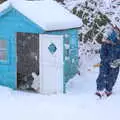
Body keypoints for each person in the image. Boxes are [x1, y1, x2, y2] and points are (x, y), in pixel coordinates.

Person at [96, 24, 120, 97]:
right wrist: (107, 60)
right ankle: (100, 89)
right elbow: (102, 54)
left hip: (115, 64)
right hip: (105, 63)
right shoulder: (105, 43)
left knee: (112, 77)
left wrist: (117, 61)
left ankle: (108, 90)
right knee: (102, 75)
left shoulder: (119, 43)